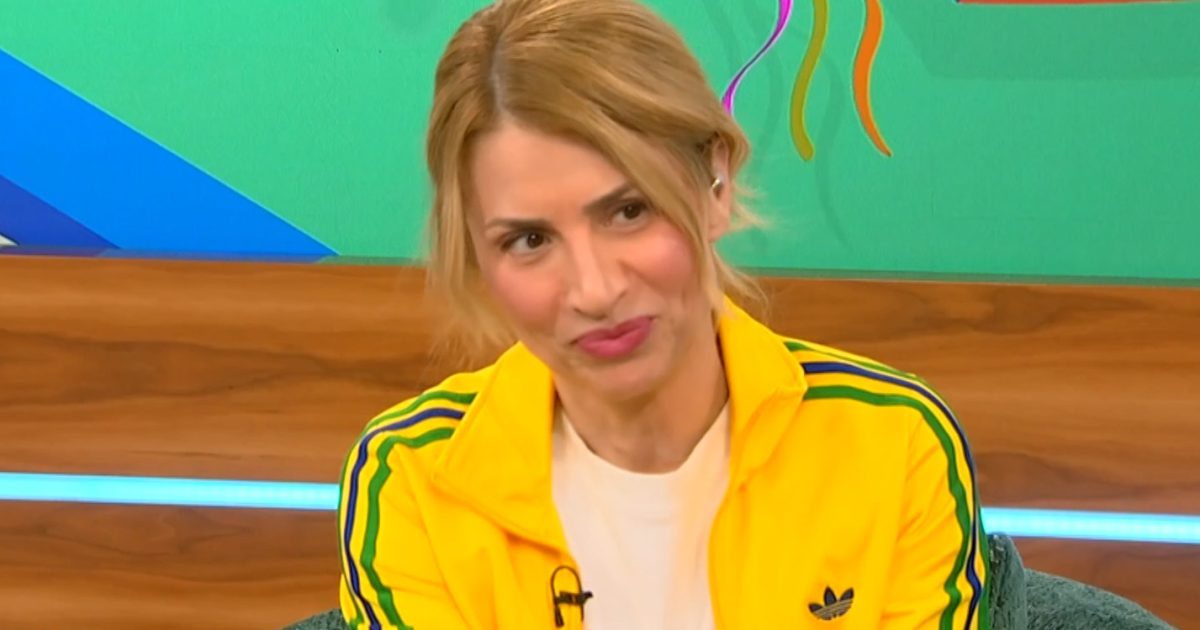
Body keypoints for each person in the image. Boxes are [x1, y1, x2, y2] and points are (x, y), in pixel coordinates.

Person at [336, 0, 988, 628]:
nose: (594, 290)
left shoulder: (895, 443)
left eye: (629, 211)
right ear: (478, 257)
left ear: (715, 186)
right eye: (529, 240)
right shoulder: (411, 479)